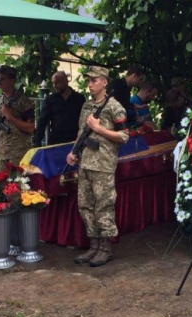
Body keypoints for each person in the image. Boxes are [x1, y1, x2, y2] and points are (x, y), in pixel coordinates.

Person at [66, 66, 128, 267]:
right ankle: (93, 246)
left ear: (104, 82)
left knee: (103, 207)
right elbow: (80, 132)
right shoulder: (86, 106)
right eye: (89, 81)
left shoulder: (114, 107)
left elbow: (124, 136)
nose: (90, 84)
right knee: (85, 205)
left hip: (103, 164)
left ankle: (105, 249)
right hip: (86, 163)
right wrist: (73, 152)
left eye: (94, 80)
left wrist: (99, 128)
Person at [0, 65, 36, 170]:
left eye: (2, 79)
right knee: (1, 185)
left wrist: (10, 117)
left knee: (18, 185)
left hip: (17, 154)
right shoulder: (2, 100)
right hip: (2, 153)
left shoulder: (23, 101)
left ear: (12, 80)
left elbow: (31, 128)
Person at [34, 70, 86, 146]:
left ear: (65, 82)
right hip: (56, 141)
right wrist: (37, 143)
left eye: (57, 83)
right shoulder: (50, 100)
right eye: (53, 83)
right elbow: (42, 122)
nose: (54, 85)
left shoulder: (79, 99)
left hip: (74, 141)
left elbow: (84, 121)